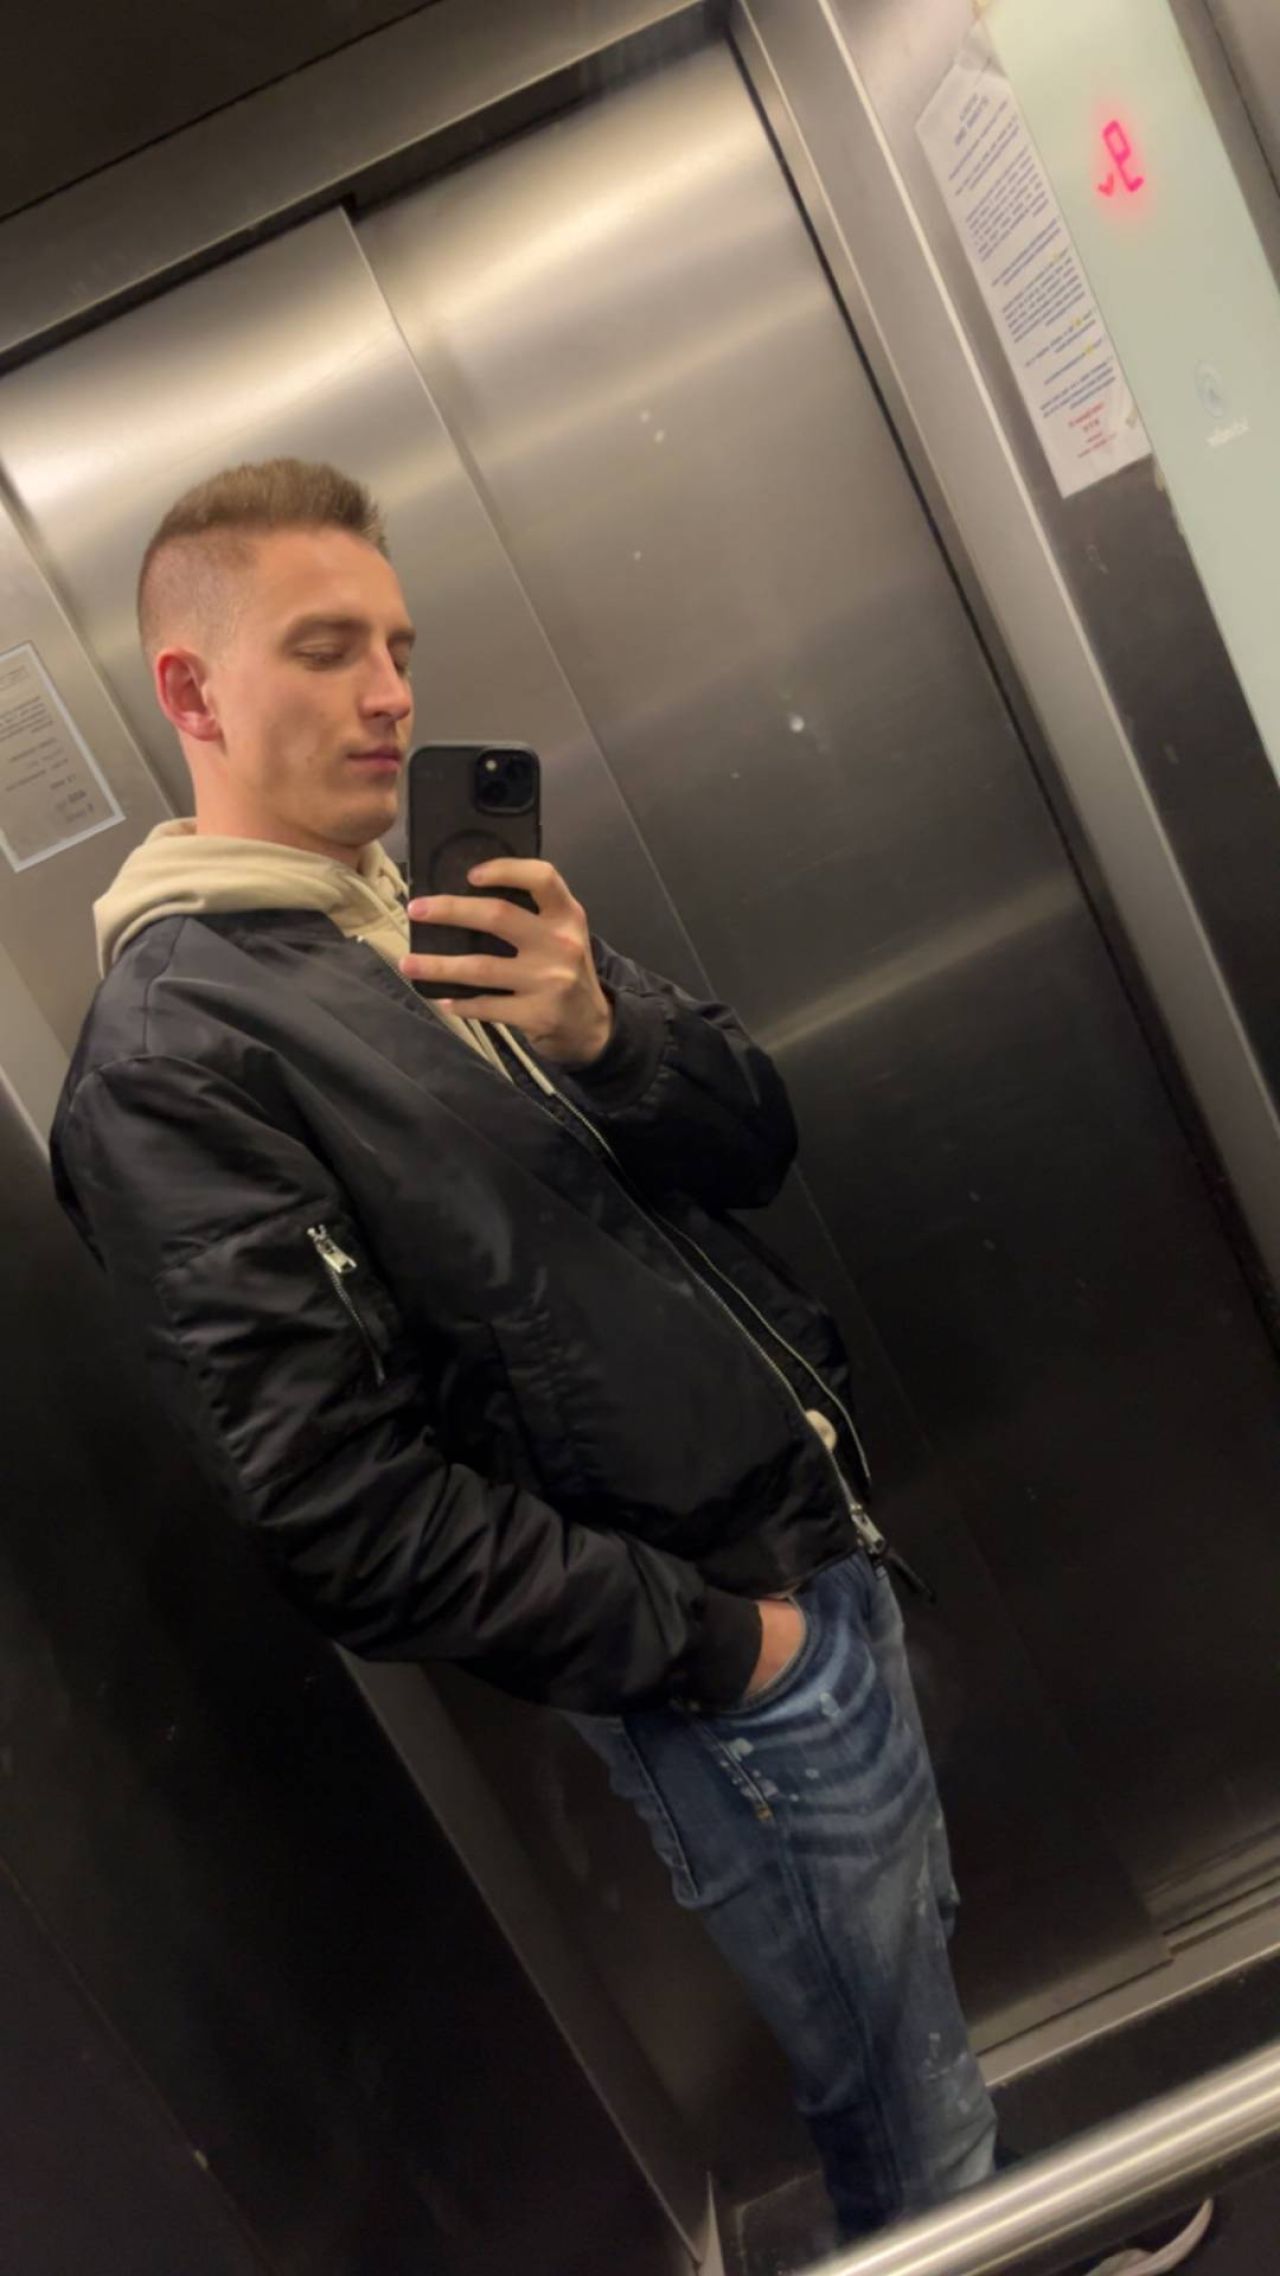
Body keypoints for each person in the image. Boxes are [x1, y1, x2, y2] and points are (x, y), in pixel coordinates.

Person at [49, 454, 995, 2244]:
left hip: (820, 1551)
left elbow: (752, 1141)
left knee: (914, 2005)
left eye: (399, 646)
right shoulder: (175, 1059)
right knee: (895, 2091)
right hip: (731, 1661)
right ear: (193, 689)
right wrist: (732, 1652)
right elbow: (343, 1512)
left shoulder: (441, 919)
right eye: (326, 648)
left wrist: (604, 1031)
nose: (391, 694)